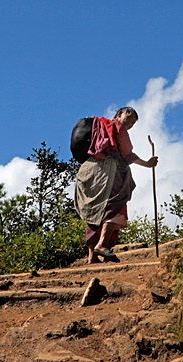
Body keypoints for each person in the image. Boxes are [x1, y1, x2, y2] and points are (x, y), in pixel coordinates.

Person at [74, 107, 158, 264]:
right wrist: (147, 164)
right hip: (109, 171)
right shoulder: (116, 126)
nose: (131, 124)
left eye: (133, 122)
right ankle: (102, 244)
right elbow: (127, 153)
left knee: (96, 210)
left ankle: (92, 257)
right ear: (120, 114)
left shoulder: (101, 129)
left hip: (89, 171)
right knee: (116, 204)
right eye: (130, 118)